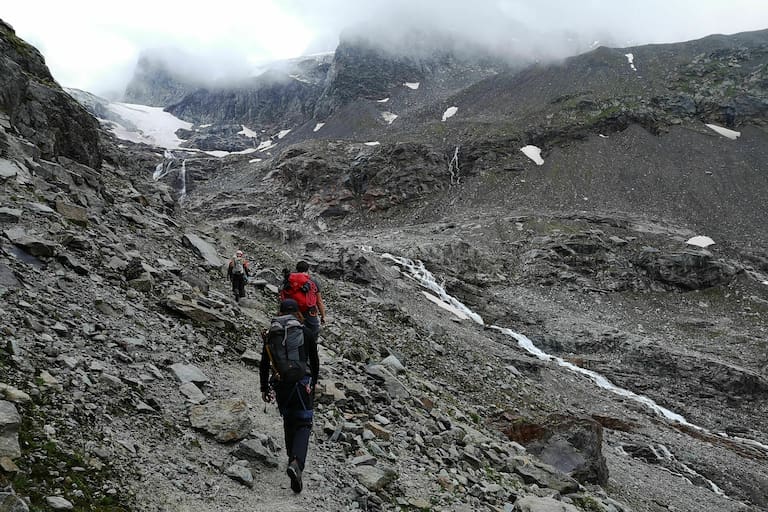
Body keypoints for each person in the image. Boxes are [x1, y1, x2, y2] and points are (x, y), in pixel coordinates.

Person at [260, 299, 319, 493]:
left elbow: (264, 363)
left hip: (281, 384)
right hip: (302, 384)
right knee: (304, 424)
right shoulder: (306, 332)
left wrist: (264, 388)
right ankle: (296, 463)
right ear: (298, 313)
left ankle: (290, 459)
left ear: (280, 312)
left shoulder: (272, 334)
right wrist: (314, 383)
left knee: (289, 420)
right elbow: (315, 361)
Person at [279, 261, 327, 344]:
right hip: (308, 310)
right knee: (314, 329)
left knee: (291, 329)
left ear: (296, 269)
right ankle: (311, 348)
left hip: (291, 310)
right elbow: (319, 302)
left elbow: (282, 294)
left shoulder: (288, 279)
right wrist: (323, 316)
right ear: (307, 269)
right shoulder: (312, 280)